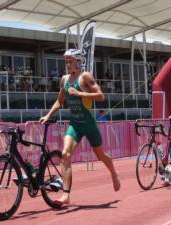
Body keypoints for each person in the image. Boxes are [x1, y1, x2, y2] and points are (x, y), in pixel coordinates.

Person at [39, 49, 120, 206]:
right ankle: (66, 195)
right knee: (65, 153)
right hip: (75, 124)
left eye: (70, 61)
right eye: (66, 61)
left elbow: (101, 96)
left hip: (89, 124)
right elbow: (59, 101)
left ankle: (114, 174)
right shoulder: (64, 80)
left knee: (101, 156)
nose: (68, 64)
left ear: (78, 61)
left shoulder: (85, 77)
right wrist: (48, 115)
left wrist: (79, 94)